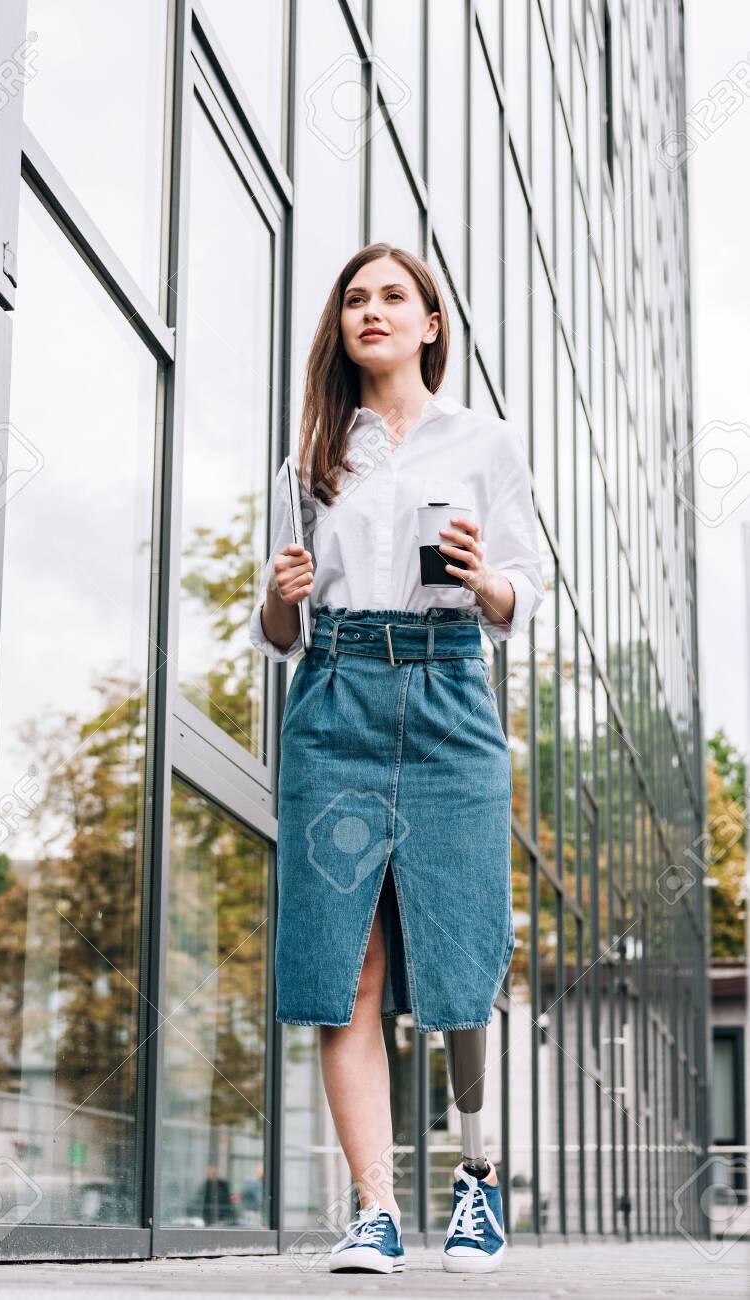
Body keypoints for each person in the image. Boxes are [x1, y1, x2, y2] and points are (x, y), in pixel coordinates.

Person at [249, 242, 544, 1274]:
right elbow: (280, 632)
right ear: (342, 326)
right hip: (334, 695)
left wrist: (485, 578)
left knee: (461, 954)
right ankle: (374, 1208)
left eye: (393, 297)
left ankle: (476, 1180)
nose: (371, 311)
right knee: (345, 962)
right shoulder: (309, 460)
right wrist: (284, 591)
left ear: (429, 324)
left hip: (450, 689)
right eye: (355, 299)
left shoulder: (484, 442)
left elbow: (524, 591)